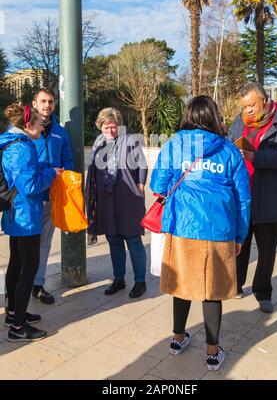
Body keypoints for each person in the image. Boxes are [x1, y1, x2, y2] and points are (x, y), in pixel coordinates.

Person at [150, 96, 250, 371]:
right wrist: (239, 236)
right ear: (215, 117)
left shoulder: (173, 145)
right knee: (212, 291)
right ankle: (212, 351)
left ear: (188, 116)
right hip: (218, 230)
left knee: (181, 286)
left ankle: (177, 339)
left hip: (182, 227)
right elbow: (243, 199)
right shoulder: (230, 152)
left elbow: (157, 185)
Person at [228, 82, 277, 313]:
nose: (248, 110)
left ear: (265, 101)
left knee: (267, 251)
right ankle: (236, 284)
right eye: (244, 106)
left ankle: (263, 292)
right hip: (243, 198)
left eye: (251, 105)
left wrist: (256, 156)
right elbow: (229, 142)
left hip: (270, 199)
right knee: (239, 246)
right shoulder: (240, 122)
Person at [0, 104, 62, 342]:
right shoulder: (23, 149)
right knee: (29, 268)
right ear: (28, 126)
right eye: (38, 123)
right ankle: (17, 328)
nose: (42, 126)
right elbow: (29, 186)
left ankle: (14, 313)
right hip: (25, 215)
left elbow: (23, 176)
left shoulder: (11, 142)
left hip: (15, 214)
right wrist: (51, 175)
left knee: (16, 264)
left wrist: (45, 169)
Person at [86, 108, 148, 298]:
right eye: (106, 127)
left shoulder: (130, 140)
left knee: (133, 240)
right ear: (100, 126)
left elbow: (142, 164)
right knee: (113, 240)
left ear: (118, 126)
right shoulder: (98, 142)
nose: (110, 130)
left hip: (128, 196)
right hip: (106, 198)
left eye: (113, 126)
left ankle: (140, 281)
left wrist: (140, 184)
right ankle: (118, 279)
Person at [31, 88, 73, 304]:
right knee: (22, 245)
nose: (47, 105)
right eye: (43, 101)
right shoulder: (26, 128)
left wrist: (68, 185)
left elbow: (67, 160)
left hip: (51, 197)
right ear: (34, 104)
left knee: (44, 243)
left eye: (51, 102)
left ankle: (38, 284)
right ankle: (17, 285)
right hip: (28, 198)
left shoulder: (60, 132)